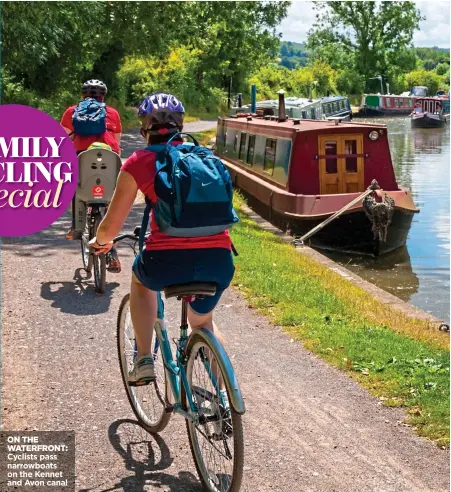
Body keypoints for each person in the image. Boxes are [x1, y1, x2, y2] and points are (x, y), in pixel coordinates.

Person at [89, 92, 235, 385]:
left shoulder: (138, 162)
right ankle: (224, 401)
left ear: (145, 129)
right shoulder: (205, 157)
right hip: (219, 261)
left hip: (166, 261)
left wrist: (100, 241)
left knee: (141, 281)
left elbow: (111, 225)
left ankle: (143, 358)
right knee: (203, 322)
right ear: (181, 125)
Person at [61, 79, 122, 272]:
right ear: (103, 96)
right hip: (108, 158)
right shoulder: (112, 113)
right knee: (112, 196)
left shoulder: (71, 112)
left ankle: (77, 226)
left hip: (82, 157)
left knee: (75, 185)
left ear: (83, 95)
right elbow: (117, 146)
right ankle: (113, 254)